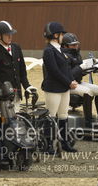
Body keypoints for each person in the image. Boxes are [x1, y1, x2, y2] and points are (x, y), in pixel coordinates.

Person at [42, 22, 78, 153]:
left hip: (64, 88)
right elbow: (54, 71)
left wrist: (71, 79)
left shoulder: (60, 49)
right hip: (53, 88)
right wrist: (69, 82)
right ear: (55, 35)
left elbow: (66, 68)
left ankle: (64, 142)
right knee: (50, 116)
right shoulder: (48, 51)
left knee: (63, 115)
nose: (63, 36)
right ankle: (48, 144)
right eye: (62, 34)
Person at [0, 20, 37, 112]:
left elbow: (22, 70)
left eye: (11, 34)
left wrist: (27, 86)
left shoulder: (16, 48)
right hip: (4, 96)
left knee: (16, 119)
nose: (10, 37)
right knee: (5, 122)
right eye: (7, 35)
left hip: (16, 93)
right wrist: (3, 89)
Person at [61, 32, 98, 126]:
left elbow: (79, 73)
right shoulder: (63, 56)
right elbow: (68, 75)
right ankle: (88, 122)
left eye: (76, 44)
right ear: (65, 46)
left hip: (78, 82)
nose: (75, 47)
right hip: (67, 85)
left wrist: (91, 67)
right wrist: (81, 67)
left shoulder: (77, 55)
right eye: (72, 45)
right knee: (88, 92)